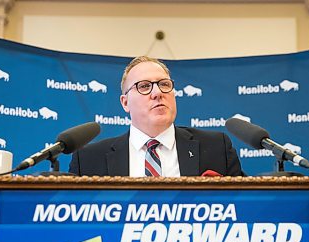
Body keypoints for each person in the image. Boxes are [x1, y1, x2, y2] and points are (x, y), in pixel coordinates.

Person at [69, 56, 245, 177]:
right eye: (144, 86)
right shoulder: (88, 160)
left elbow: (243, 208)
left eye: (164, 84)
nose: (157, 92)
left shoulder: (216, 148)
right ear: (125, 103)